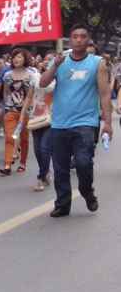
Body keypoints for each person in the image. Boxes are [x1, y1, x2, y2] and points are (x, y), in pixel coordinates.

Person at [40, 24, 113, 218]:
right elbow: (43, 83)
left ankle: (87, 191)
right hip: (59, 123)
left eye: (83, 36)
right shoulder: (59, 61)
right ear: (70, 40)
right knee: (60, 167)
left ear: (88, 40)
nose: (79, 39)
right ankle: (62, 204)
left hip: (86, 123)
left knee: (83, 162)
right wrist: (54, 65)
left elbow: (105, 94)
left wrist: (108, 123)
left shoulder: (98, 63)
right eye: (75, 36)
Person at [0, 48, 35, 176]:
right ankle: (7, 165)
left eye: (19, 57)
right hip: (10, 110)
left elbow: (32, 95)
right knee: (9, 137)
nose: (16, 59)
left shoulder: (31, 75)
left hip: (26, 112)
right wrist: (6, 106)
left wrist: (28, 109)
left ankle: (22, 163)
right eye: (14, 57)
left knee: (24, 139)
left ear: (25, 59)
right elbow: (6, 92)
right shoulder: (7, 75)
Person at [26, 56, 55, 192]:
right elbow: (29, 96)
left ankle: (41, 177)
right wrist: (23, 114)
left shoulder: (59, 79)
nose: (47, 62)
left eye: (51, 60)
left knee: (44, 148)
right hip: (35, 117)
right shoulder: (35, 77)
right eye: (46, 59)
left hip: (51, 117)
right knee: (38, 150)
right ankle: (45, 171)